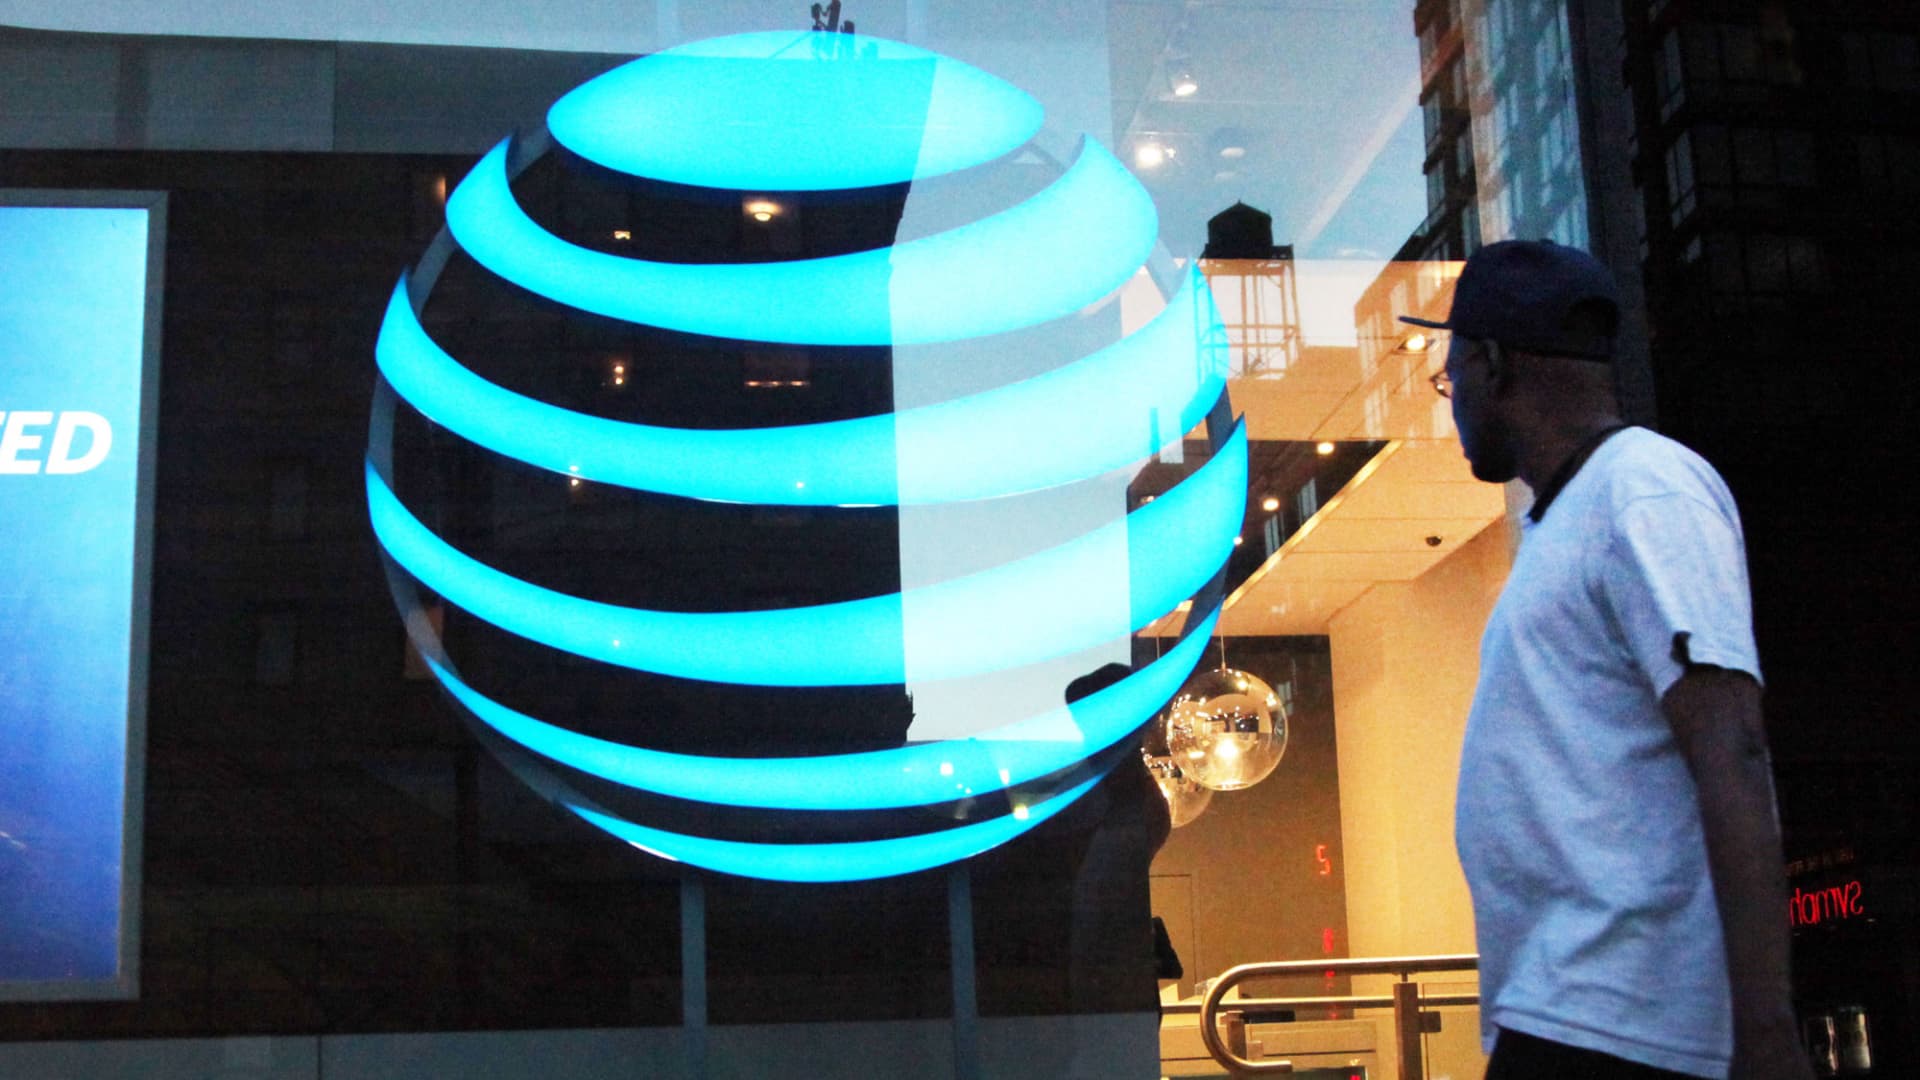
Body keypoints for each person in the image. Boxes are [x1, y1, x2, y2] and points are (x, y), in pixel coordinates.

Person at [1403, 241, 1811, 1079]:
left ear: (1492, 364)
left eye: (1451, 376)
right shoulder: (1567, 517)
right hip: (1563, 1006)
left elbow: (1733, 745)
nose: (1454, 403)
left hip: (1620, 1020)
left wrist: (1768, 1033)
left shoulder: (1645, 489)